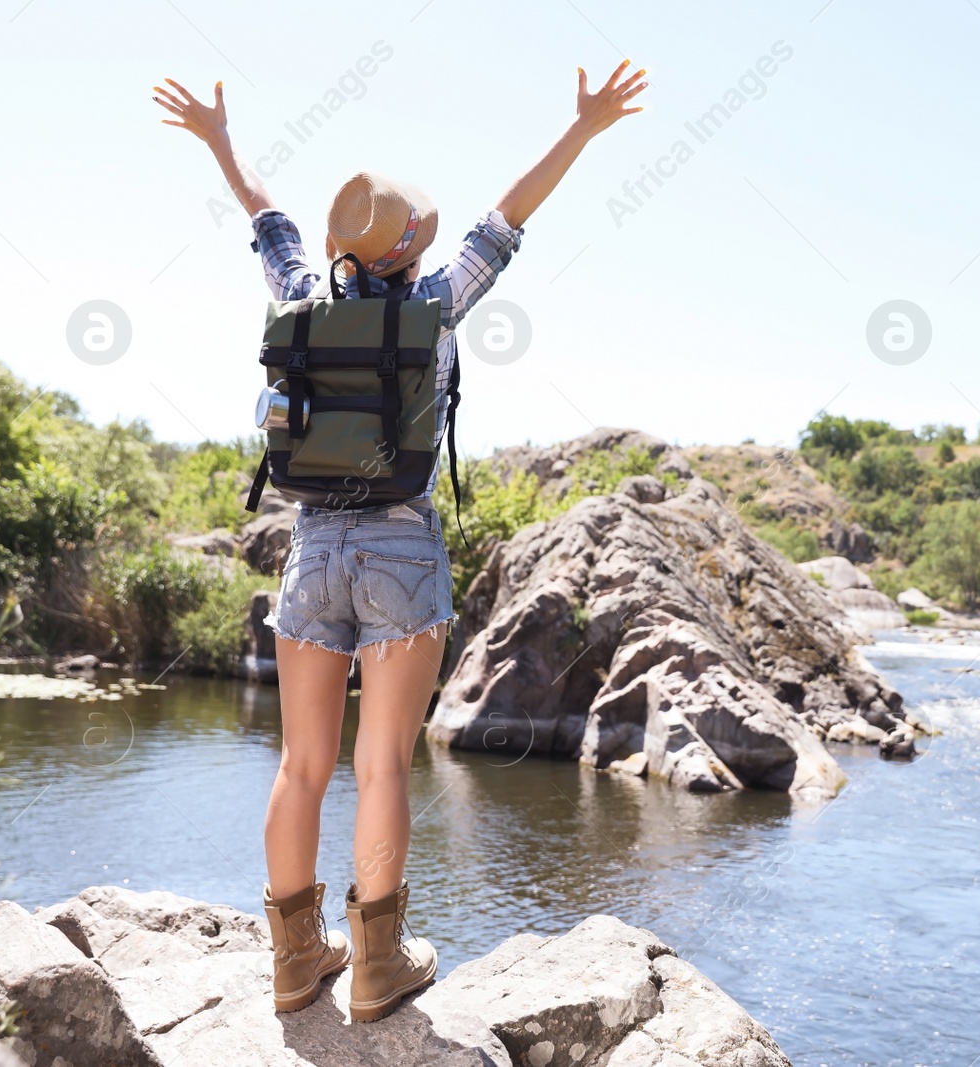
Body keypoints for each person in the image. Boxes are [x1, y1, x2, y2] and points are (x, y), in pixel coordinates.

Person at [152, 61, 646, 1022]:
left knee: (300, 764)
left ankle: (297, 961)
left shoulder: (300, 294)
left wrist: (217, 138)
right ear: (413, 250)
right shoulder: (434, 311)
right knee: (380, 766)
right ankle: (379, 964)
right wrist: (583, 128)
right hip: (402, 550)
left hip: (310, 550)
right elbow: (506, 219)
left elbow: (268, 220)